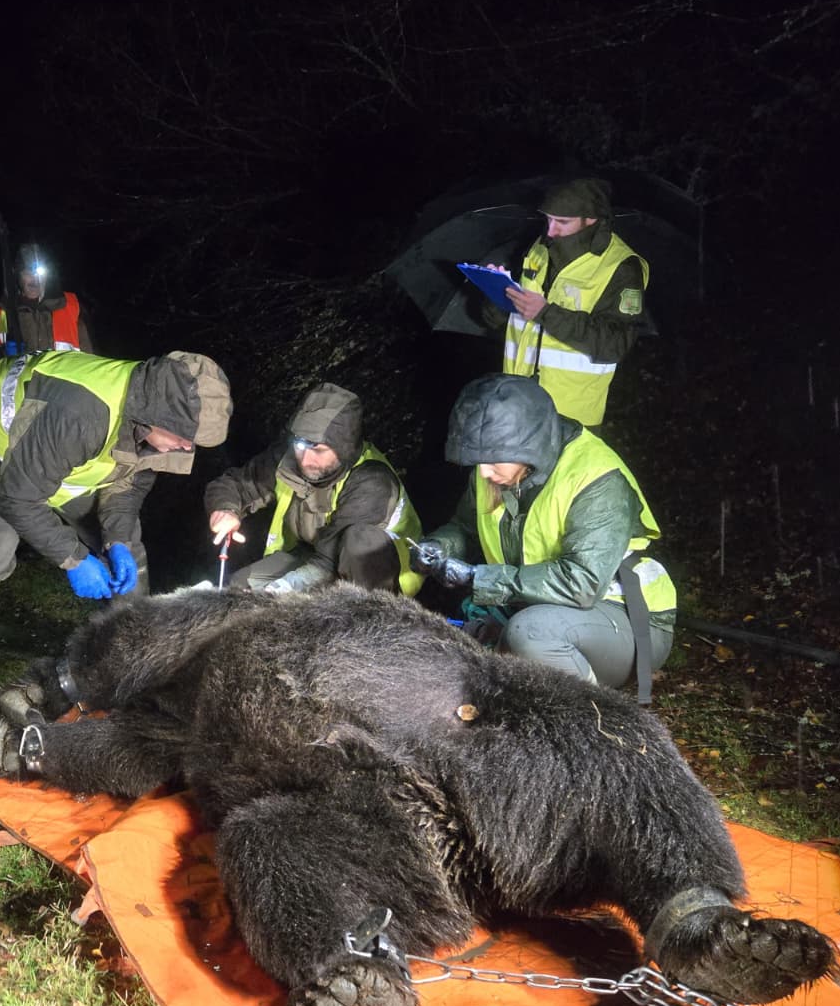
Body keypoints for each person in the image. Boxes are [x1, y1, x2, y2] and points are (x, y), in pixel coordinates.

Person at [0, 348, 232, 738]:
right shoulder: (82, 414)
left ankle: (138, 687)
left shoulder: (154, 421)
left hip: (54, 461)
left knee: (130, 547)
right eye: (183, 438)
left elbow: (126, 485)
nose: (188, 448)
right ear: (153, 416)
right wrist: (73, 559)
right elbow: (16, 497)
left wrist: (117, 539)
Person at [412, 374, 675, 701]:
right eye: (478, 460)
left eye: (493, 460)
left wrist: (482, 577)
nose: (483, 473)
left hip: (628, 621)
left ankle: (596, 720)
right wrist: (440, 546)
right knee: (466, 645)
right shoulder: (496, 470)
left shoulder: (596, 478)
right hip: (542, 607)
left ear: (530, 446)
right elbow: (464, 528)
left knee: (529, 633)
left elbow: (582, 583)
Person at [203, 383, 423, 595]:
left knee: (360, 541)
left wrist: (278, 592)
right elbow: (236, 483)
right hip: (312, 551)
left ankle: (367, 619)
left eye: (318, 449)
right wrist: (226, 509)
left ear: (343, 447)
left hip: (378, 571)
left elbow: (328, 564)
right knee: (240, 588)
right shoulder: (288, 459)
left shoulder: (372, 481)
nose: (305, 459)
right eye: (300, 445)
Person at [479, 178, 649, 427]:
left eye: (562, 222)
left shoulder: (621, 267)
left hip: (571, 417)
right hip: (516, 403)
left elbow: (616, 343)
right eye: (548, 219)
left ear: (590, 219)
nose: (550, 231)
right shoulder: (539, 248)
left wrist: (546, 313)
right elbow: (500, 322)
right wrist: (497, 292)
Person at [0, 243, 94, 356]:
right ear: (18, 276)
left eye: (39, 272)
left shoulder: (70, 307)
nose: (34, 278)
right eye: (27, 272)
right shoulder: (3, 311)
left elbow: (90, 360)